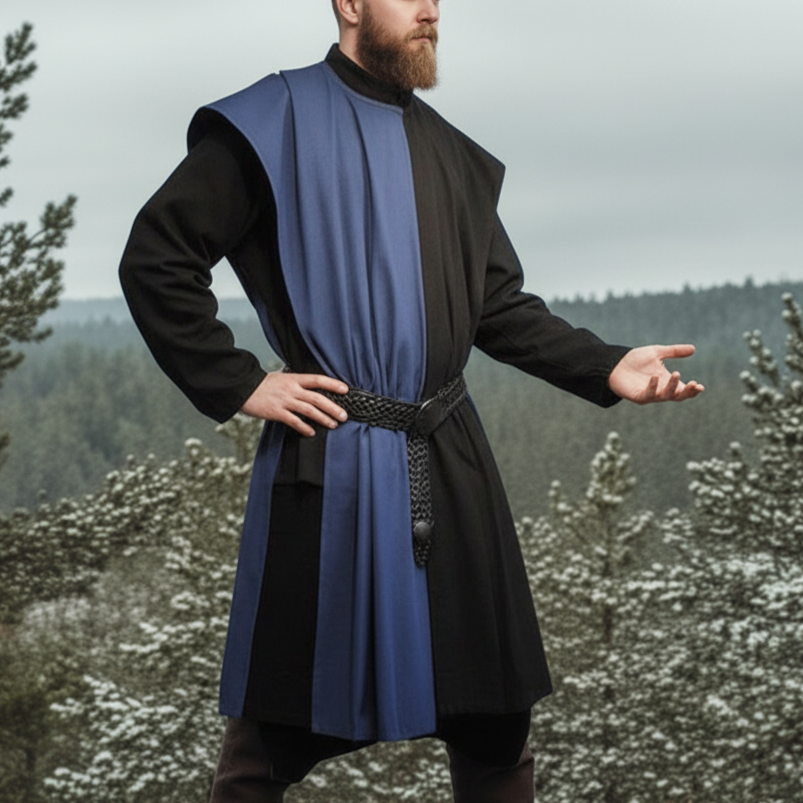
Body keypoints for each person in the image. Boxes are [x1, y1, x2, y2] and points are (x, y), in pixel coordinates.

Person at [119, 1, 703, 800]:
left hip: (449, 456)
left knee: (495, 722)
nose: (431, 9)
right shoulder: (269, 120)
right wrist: (241, 380)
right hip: (330, 456)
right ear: (349, 4)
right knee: (273, 731)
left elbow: (498, 309)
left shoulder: (450, 154)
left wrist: (606, 366)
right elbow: (157, 258)